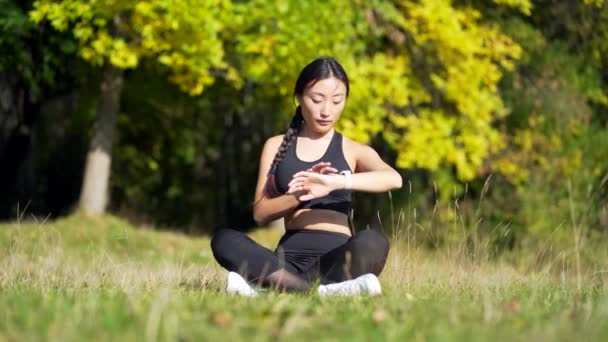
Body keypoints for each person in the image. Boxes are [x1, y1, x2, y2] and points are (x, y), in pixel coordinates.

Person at [211, 57, 402, 296]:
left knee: (373, 242)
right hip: (285, 261)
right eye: (317, 99)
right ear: (300, 97)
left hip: (337, 258)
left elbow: (394, 179)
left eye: (336, 101)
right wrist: (299, 195)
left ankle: (274, 288)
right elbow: (260, 213)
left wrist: (336, 182)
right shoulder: (275, 146)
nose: (326, 111)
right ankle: (322, 291)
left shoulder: (353, 150)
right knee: (224, 239)